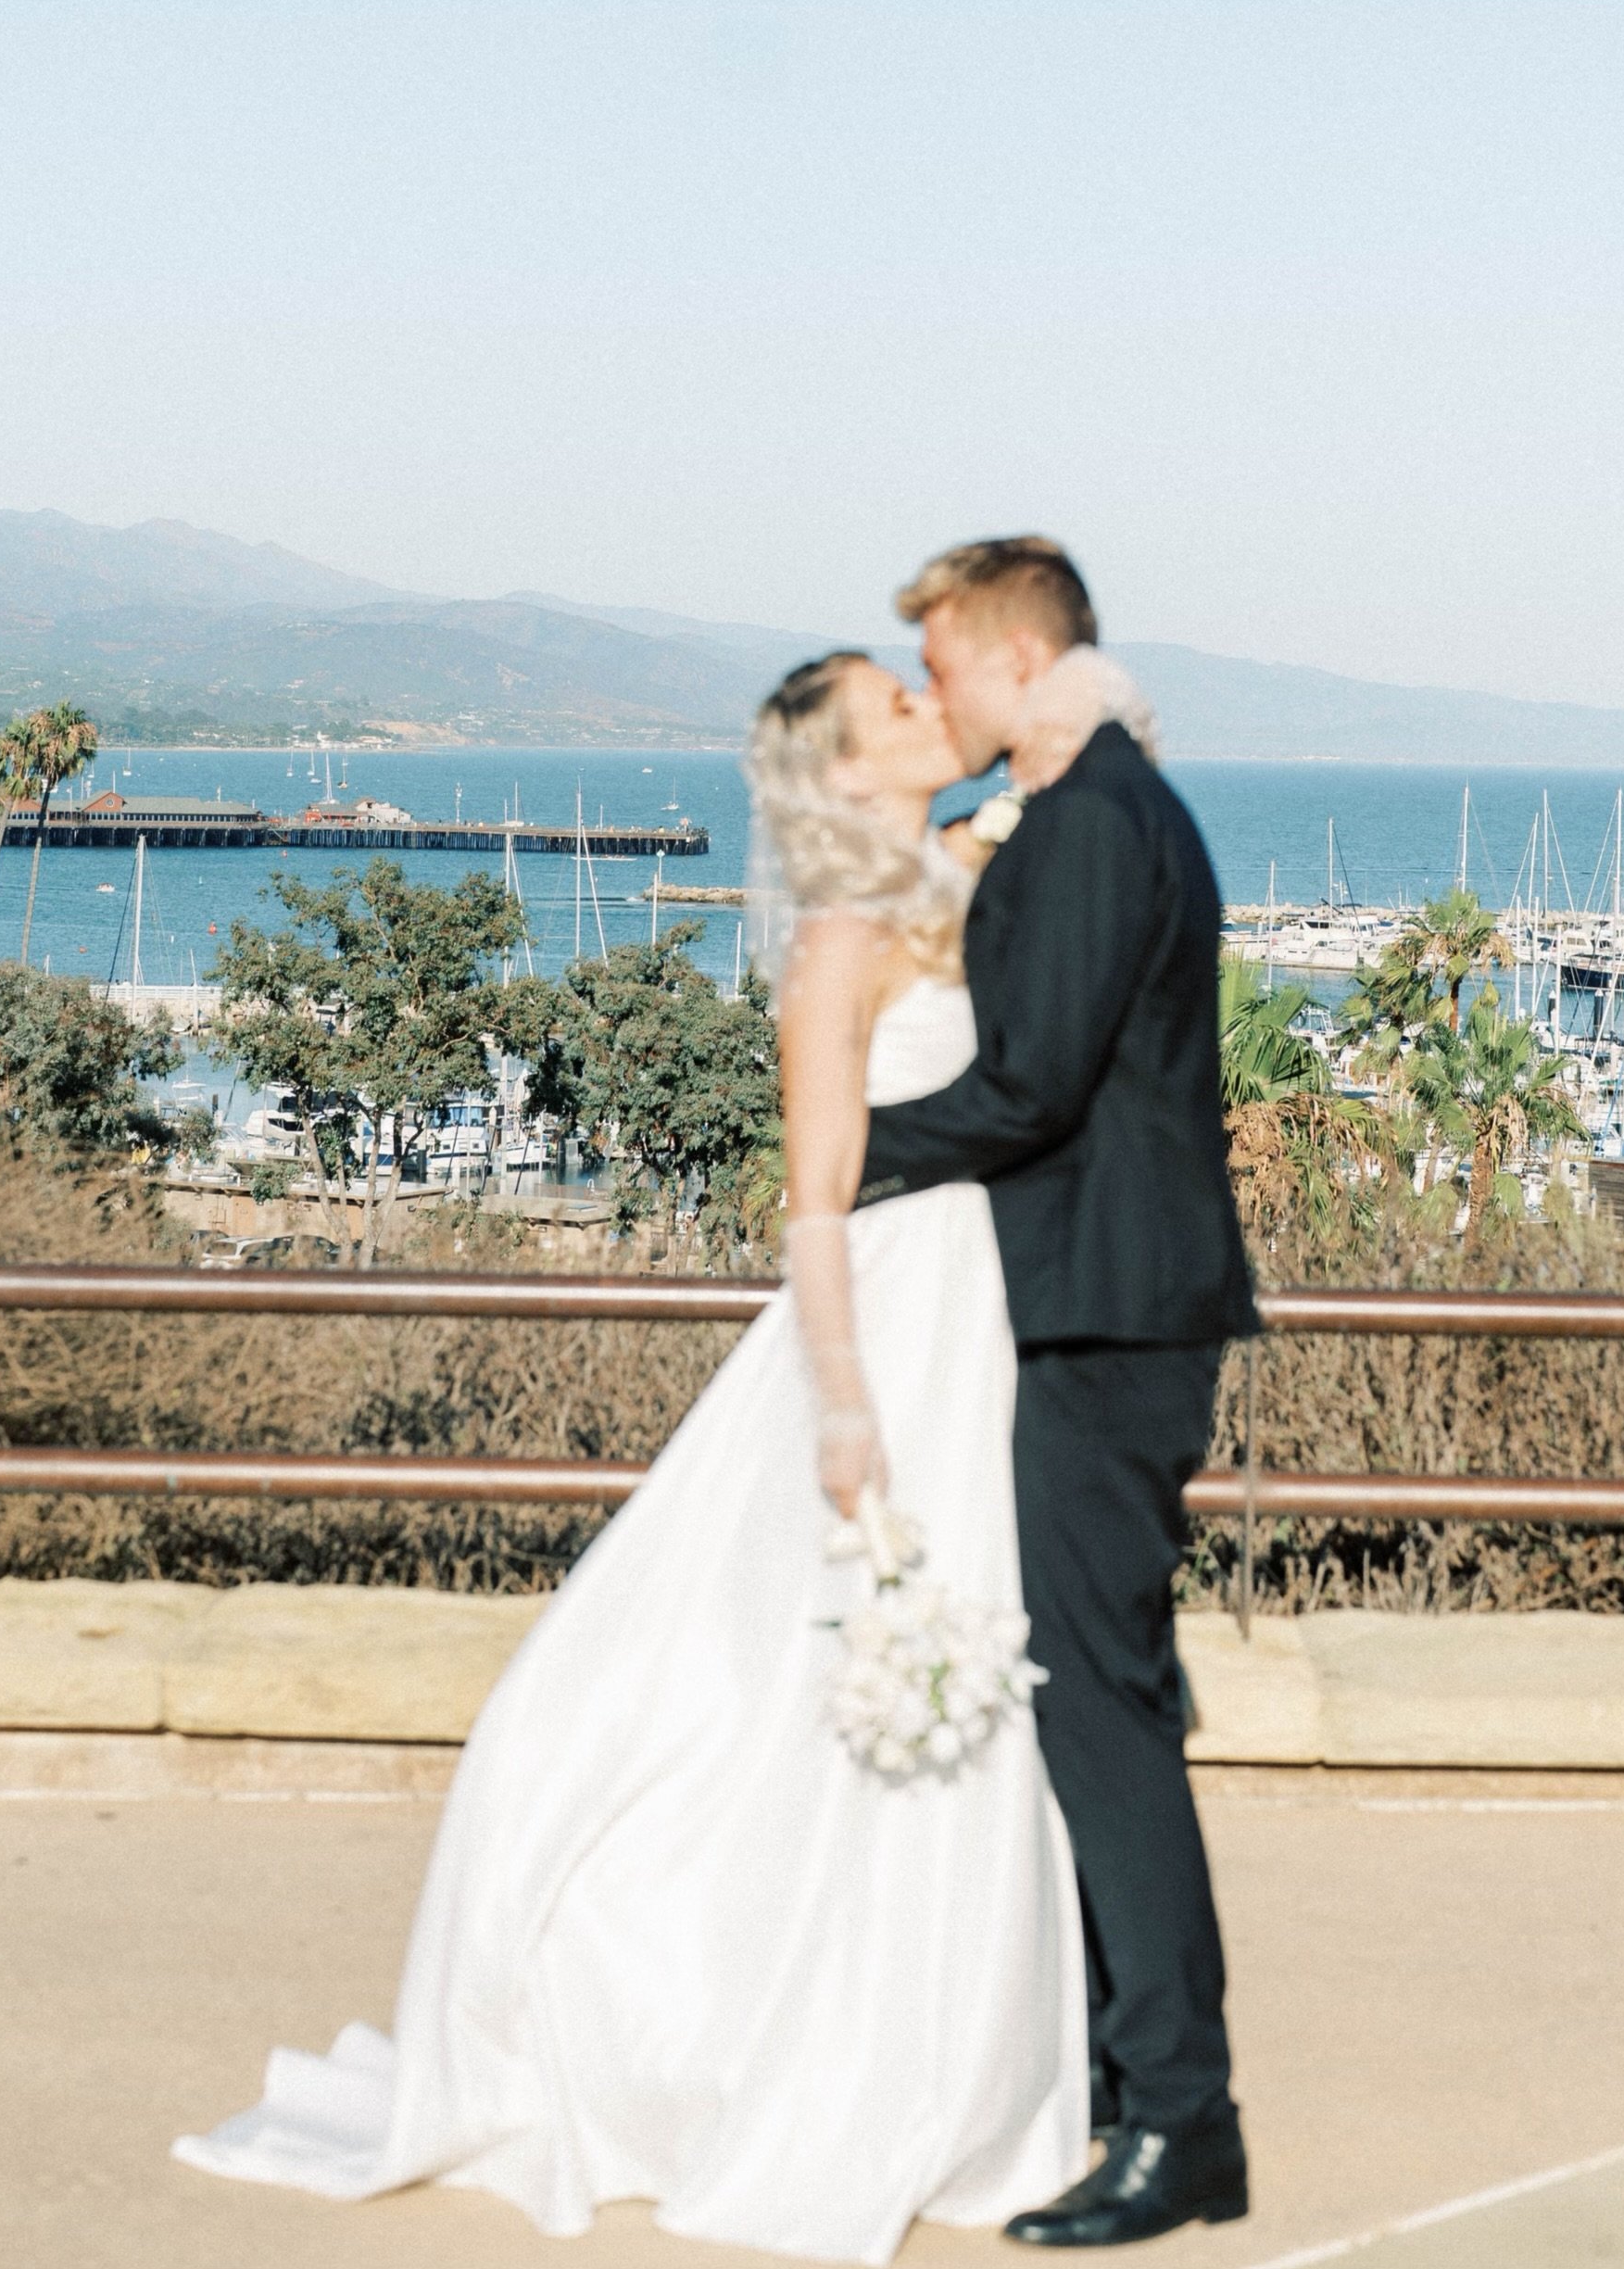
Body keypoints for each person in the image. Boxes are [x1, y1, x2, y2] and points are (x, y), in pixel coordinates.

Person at [175, 650, 1089, 2263]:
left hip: (976, 1321)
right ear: (844, 765)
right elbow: (818, 1192)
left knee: (936, 1676)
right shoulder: (834, 936)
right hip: (880, 1327)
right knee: (753, 1677)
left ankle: (947, 2067)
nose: (923, 705)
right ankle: (720, 2038)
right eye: (893, 701)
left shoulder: (945, 875)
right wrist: (843, 1398)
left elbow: (1042, 825)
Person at [860, 538, 1259, 2250]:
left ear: (1019, 660)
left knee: (1100, 1711)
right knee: (1105, 1698)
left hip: (1105, 1315)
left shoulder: (1095, 820)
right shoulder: (1092, 801)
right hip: (1101, 1304)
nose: (935, 699)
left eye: (944, 667)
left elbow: (1033, 1085)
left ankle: (1178, 2121)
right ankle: (1122, 2080)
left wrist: (847, 1153)